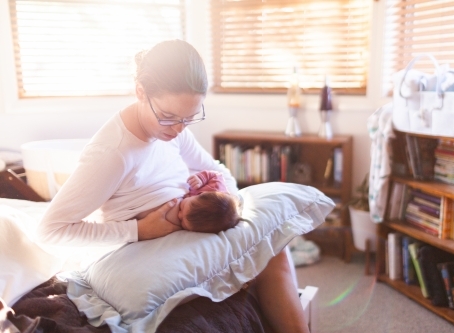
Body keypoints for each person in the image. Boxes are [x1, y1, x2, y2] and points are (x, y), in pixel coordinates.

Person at [36, 39, 309, 333]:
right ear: (141, 91)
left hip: (187, 228)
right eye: (168, 117)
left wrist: (225, 202)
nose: (179, 129)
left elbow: (214, 168)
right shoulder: (112, 154)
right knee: (268, 252)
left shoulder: (173, 129)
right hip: (144, 249)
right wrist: (139, 230)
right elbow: (50, 231)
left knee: (272, 244)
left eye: (189, 118)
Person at [135, 170, 242, 233]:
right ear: (202, 194)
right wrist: (201, 178)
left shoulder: (205, 223)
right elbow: (216, 174)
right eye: (182, 208)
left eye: (182, 222)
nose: (179, 215)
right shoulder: (215, 187)